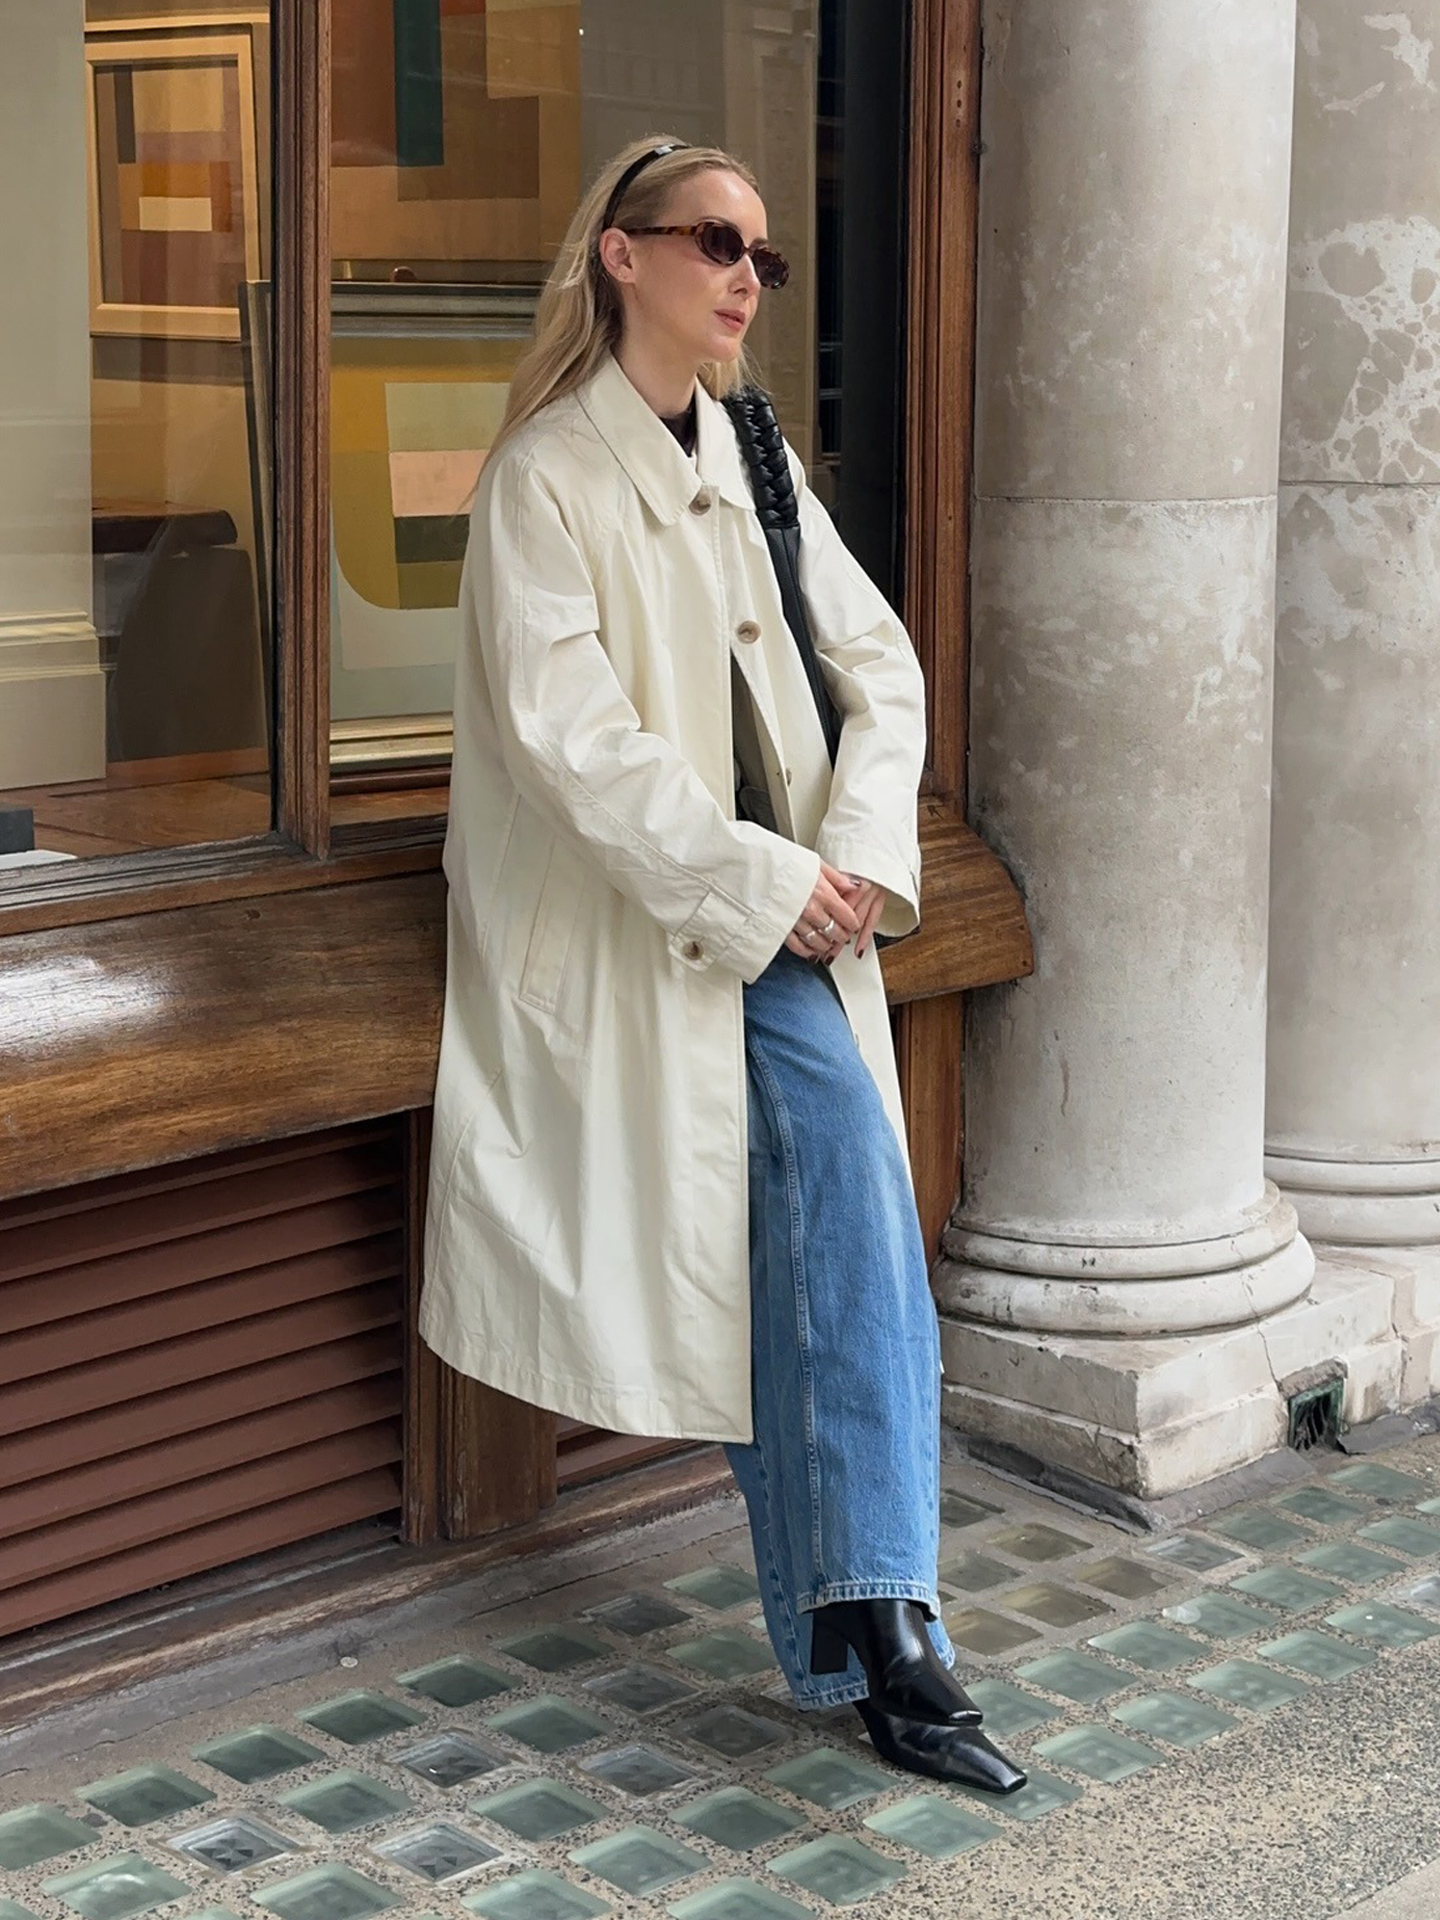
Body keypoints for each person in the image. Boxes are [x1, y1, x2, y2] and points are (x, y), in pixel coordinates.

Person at [420, 134, 1023, 1793]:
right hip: (665, 931)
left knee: (827, 1250)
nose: (748, 276)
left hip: (789, 925)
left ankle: (871, 1625)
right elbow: (573, 743)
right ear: (621, 255)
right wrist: (768, 882)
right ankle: (886, 1632)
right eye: (715, 241)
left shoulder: (757, 452)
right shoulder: (546, 478)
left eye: (765, 253)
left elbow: (880, 669)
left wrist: (861, 859)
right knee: (840, 1232)